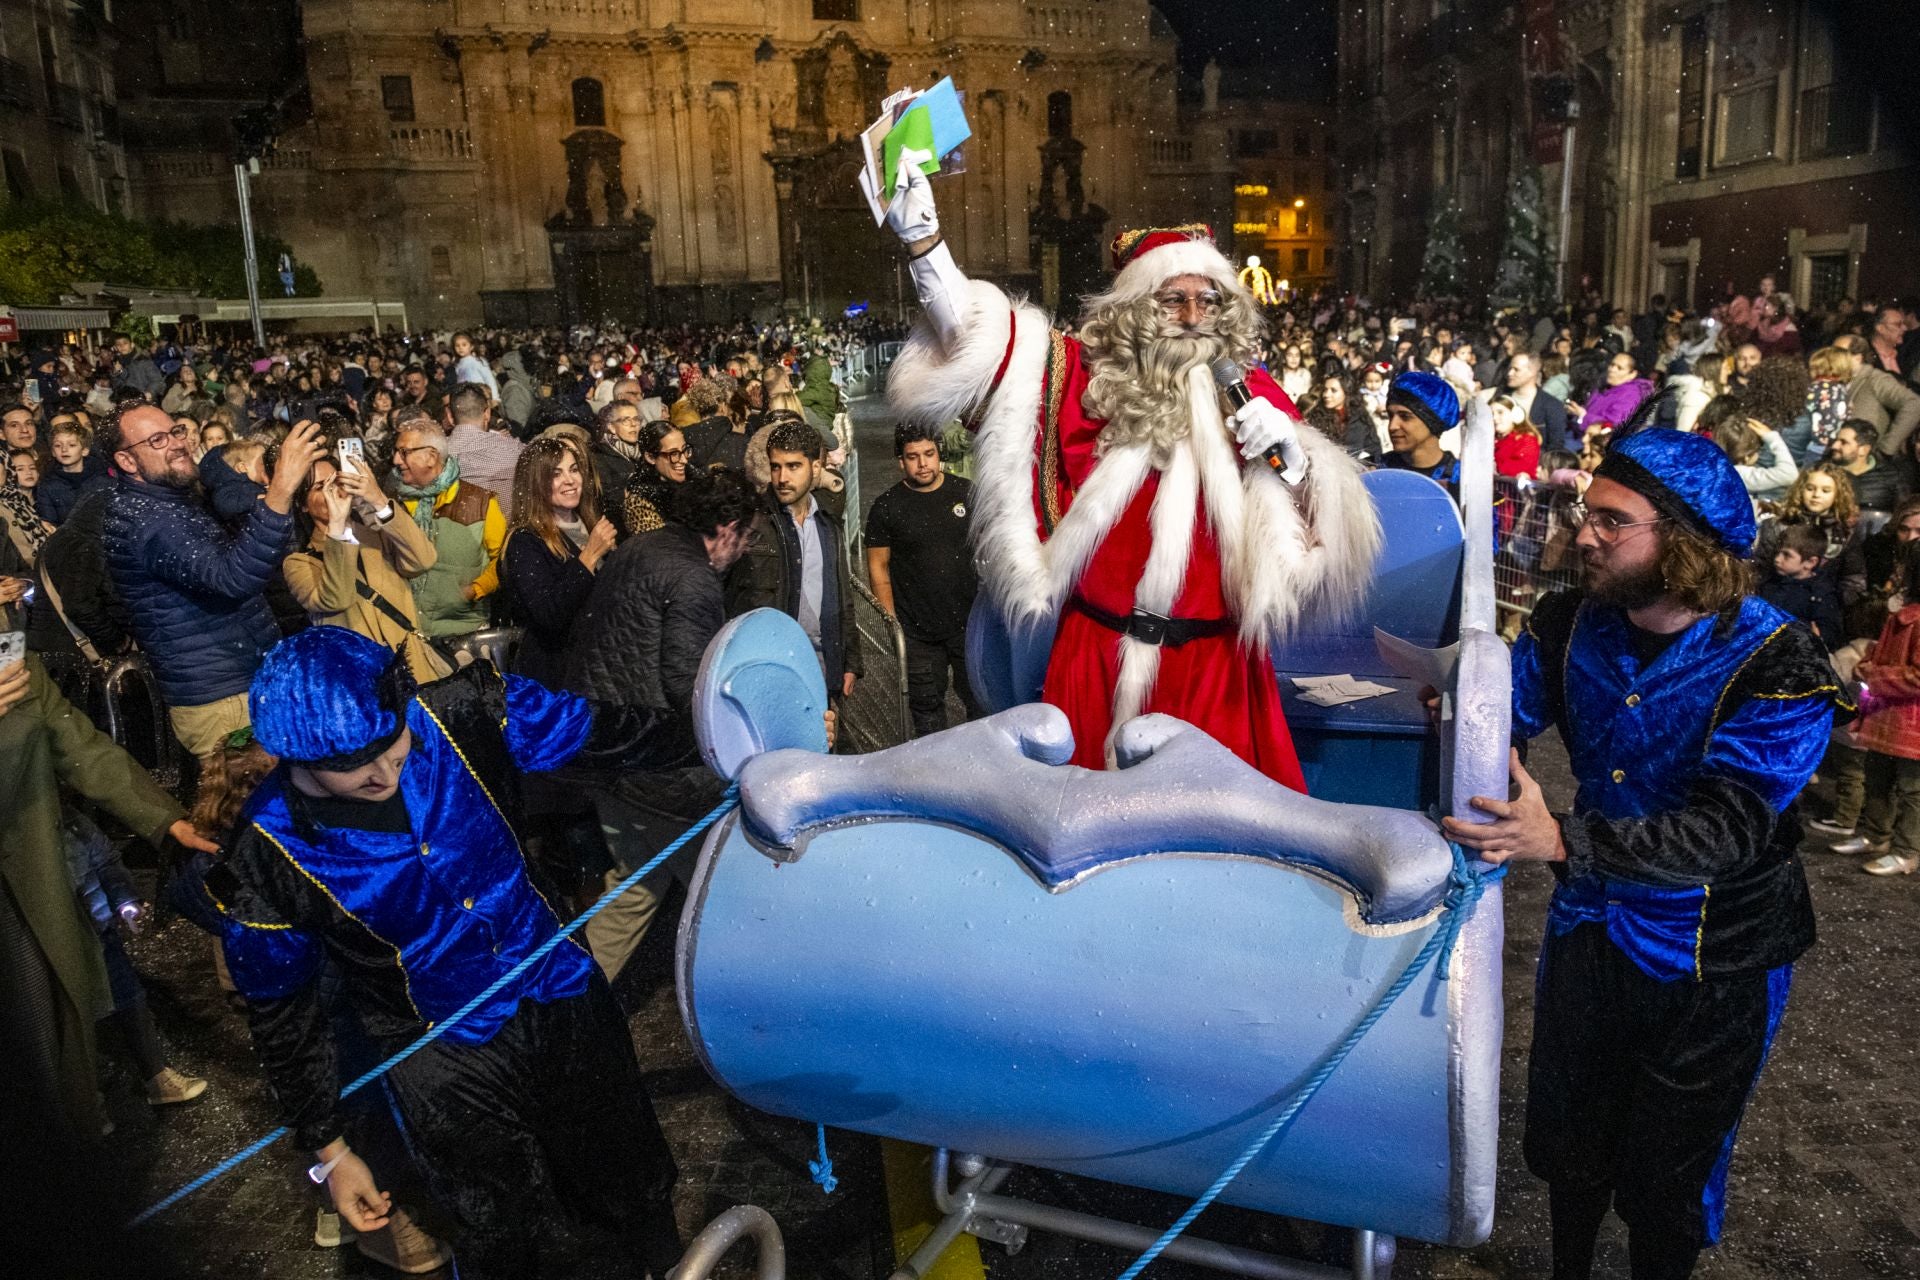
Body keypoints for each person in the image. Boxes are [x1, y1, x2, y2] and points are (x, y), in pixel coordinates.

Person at [1445, 427, 1846, 1280]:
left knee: (1671, 1173)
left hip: (1718, 954)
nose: (1583, 533)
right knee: (1569, 1138)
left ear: (1684, 542)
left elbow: (1730, 831)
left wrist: (1559, 837)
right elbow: (1498, 728)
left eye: (1610, 521)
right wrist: (1460, 713)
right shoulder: (1567, 623)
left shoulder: (1779, 660)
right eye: (1584, 513)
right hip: (1592, 924)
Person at [197, 626, 696, 1279]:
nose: (384, 774)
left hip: (557, 984)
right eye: (352, 765)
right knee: (493, 1219)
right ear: (295, 757)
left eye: (391, 743)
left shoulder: (462, 711)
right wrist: (329, 1148)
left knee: (626, 1163)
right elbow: (284, 1018)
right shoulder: (265, 855)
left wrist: (732, 739)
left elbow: (607, 731)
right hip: (440, 1049)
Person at [884, 158, 1377, 784]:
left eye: (1209, 300)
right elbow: (973, 337)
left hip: (1216, 670)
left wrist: (1298, 460)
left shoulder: (1251, 394)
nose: (1195, 316)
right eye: (1175, 299)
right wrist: (924, 241)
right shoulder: (1080, 378)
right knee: (1085, 847)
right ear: (1138, 308)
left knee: (1217, 855)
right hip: (1095, 661)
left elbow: (1315, 540)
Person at [561, 470, 762, 981]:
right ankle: (747, 1008)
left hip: (607, 751)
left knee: (632, 888)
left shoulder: (640, 547)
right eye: (747, 538)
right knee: (726, 894)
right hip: (663, 772)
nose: (743, 552)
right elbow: (687, 683)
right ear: (726, 528)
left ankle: (572, 1006)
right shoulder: (693, 578)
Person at [101, 404, 323, 760]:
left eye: (175, 431)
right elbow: (231, 577)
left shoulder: (172, 501)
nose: (177, 443)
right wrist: (280, 489)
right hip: (223, 702)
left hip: (240, 684)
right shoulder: (148, 521)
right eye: (157, 440)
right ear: (127, 462)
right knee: (251, 812)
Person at [726, 419, 862, 703]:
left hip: (823, 666)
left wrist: (850, 660)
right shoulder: (754, 523)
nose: (782, 478)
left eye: (793, 466)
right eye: (776, 466)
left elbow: (841, 597)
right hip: (771, 666)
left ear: (815, 468)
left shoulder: (827, 524)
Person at [282, 453, 445, 684]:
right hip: (363, 684)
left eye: (338, 481)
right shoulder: (299, 563)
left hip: (414, 671)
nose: (334, 492)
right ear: (303, 505)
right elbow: (336, 598)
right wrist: (337, 528)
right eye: (321, 487)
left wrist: (378, 499)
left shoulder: (377, 536)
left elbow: (424, 560)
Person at [866, 422, 984, 737]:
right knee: (927, 712)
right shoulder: (887, 507)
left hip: (968, 626)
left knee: (980, 703)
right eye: (913, 456)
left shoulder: (965, 493)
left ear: (938, 454)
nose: (923, 464)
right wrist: (891, 618)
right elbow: (878, 565)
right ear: (900, 461)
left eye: (929, 454)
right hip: (917, 631)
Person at [501, 436, 618, 689]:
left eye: (574, 470)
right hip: (557, 676)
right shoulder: (524, 540)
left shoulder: (590, 524)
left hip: (602, 664)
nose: (570, 480)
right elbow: (549, 616)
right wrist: (588, 557)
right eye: (556, 474)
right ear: (535, 483)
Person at [1841, 542, 1920, 875]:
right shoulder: (1903, 614)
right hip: (1886, 716)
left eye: (1903, 566)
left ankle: (1907, 850)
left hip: (1910, 722)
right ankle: (1876, 836)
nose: (1896, 572)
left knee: (1911, 789)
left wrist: (1875, 675)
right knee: (1877, 777)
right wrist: (1867, 663)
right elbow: (1886, 653)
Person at [391, 422, 506, 641]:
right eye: (396, 452)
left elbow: (503, 561)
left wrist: (473, 591)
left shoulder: (480, 503)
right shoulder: (392, 504)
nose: (396, 460)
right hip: (406, 633)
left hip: (463, 634)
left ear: (432, 457)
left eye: (404, 452)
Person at [442, 382, 523, 520]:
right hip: (510, 536)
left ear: (449, 415)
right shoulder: (515, 450)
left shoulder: (435, 456)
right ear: (487, 413)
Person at [1757, 523, 1844, 650]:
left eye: (1787, 555)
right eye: (1778, 553)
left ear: (1810, 562)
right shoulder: (1770, 583)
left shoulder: (1820, 595)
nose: (1777, 559)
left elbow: (1828, 632)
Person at [1381, 371, 1463, 499]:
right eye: (1390, 416)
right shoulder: (1376, 471)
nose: (1392, 426)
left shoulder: (1461, 480)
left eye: (1405, 417)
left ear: (1432, 422)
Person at [619, 420, 691, 537]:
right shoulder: (639, 503)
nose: (684, 460)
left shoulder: (694, 479)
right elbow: (657, 549)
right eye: (673, 454)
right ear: (651, 457)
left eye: (684, 450)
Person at [35, 418, 107, 527]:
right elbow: (48, 522)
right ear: (53, 452)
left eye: (72, 445)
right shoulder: (48, 486)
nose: (64, 450)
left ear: (84, 450)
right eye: (58, 446)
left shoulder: (102, 480)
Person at [1824, 420, 1902, 513]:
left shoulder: (1890, 477)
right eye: (1836, 440)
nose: (1834, 446)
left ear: (1864, 450)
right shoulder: (1822, 472)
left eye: (1843, 442)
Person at [1505, 351, 1570, 452]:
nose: (1510, 373)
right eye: (1510, 368)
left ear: (1532, 372)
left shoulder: (1551, 405)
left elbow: (1555, 446)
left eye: (1516, 370)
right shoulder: (1503, 399)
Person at [591, 397, 645, 500]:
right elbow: (605, 497)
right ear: (611, 427)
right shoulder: (599, 457)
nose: (633, 424)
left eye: (636, 419)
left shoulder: (643, 451)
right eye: (626, 420)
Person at [450, 331, 499, 400]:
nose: (460, 348)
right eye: (457, 345)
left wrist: (495, 398)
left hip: (480, 396)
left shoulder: (478, 361)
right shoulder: (458, 363)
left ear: (471, 346)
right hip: (466, 397)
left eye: (464, 345)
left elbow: (489, 379)